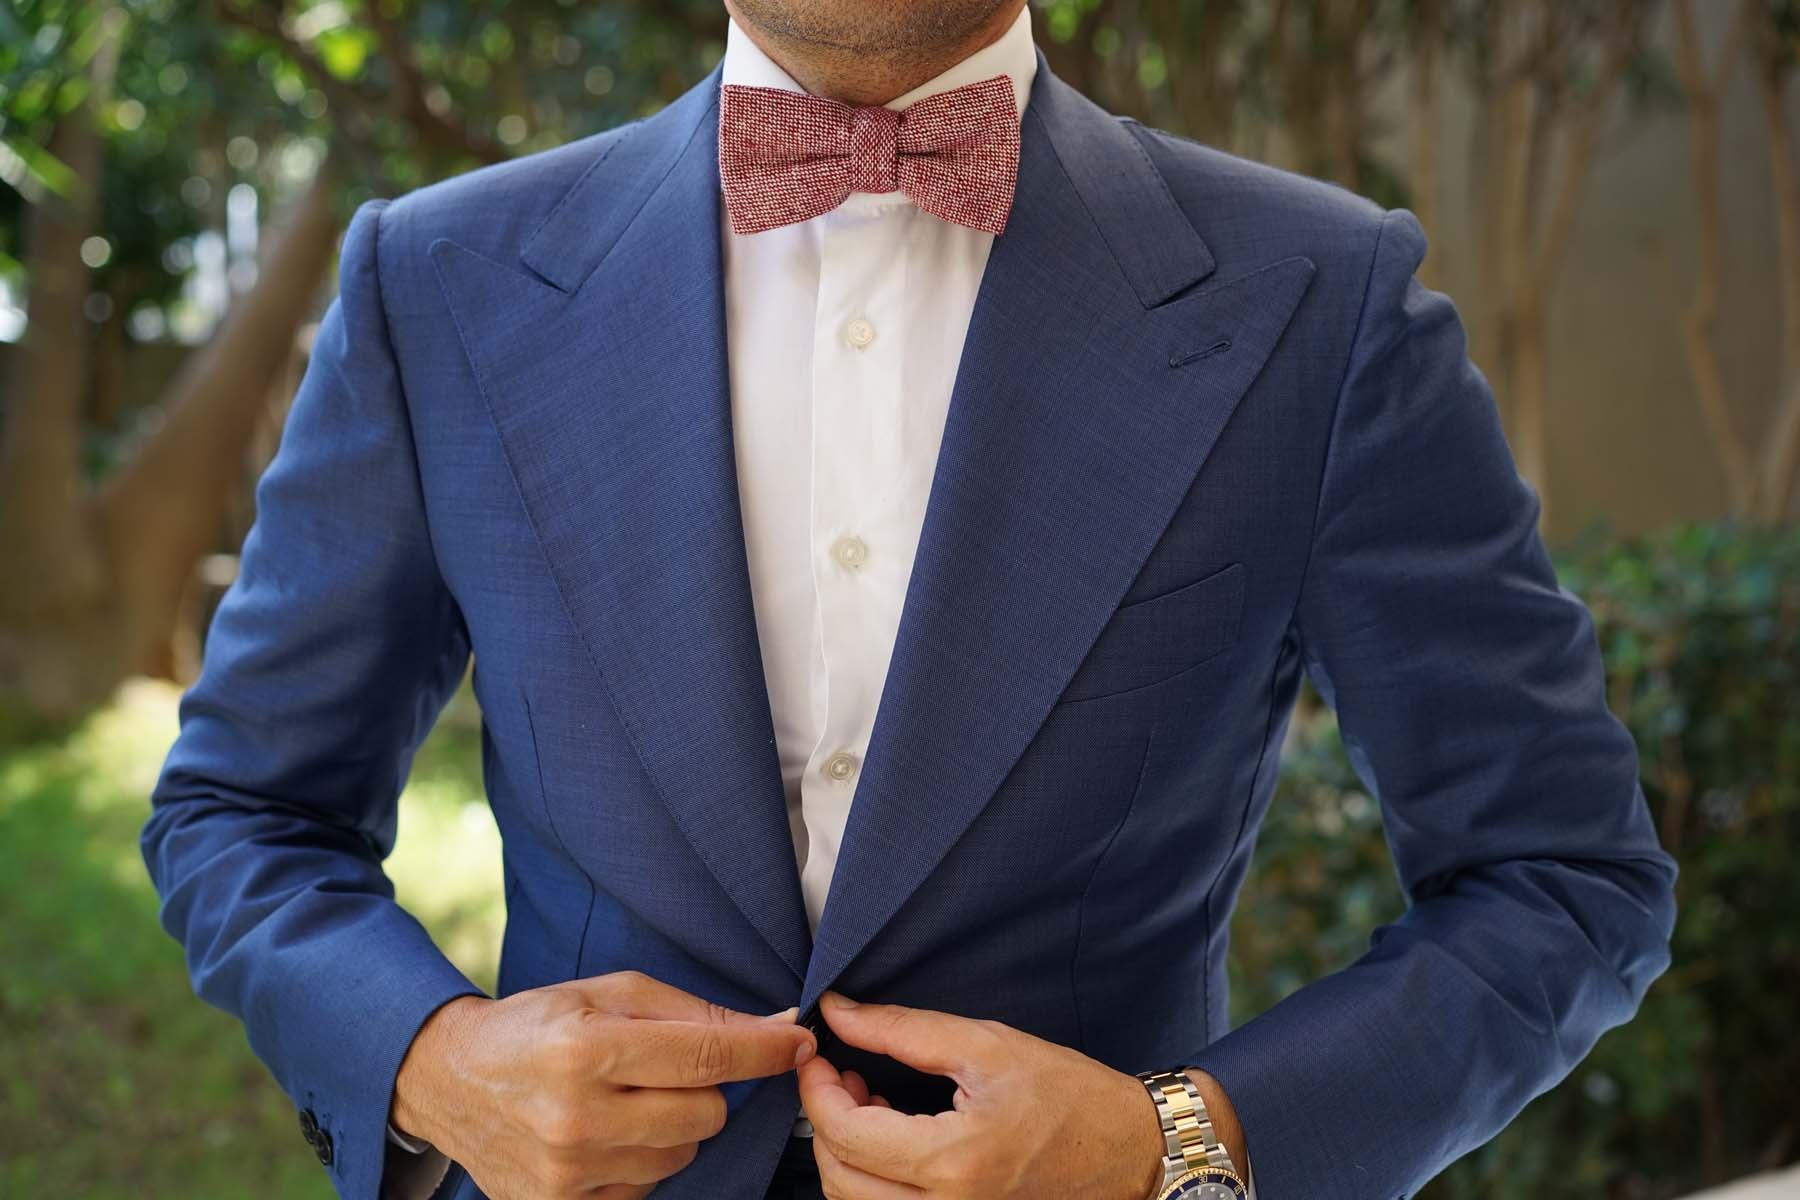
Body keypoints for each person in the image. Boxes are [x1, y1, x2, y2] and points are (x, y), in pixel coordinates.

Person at [140, 1, 1678, 1198]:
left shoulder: (1318, 305)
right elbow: (242, 810)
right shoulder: (441, 283)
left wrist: (1178, 1146)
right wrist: (434, 1061)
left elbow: (1562, 878)